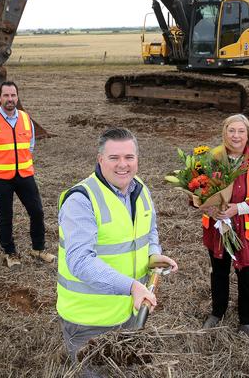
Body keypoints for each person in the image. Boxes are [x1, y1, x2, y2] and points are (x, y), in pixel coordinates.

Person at [56, 127, 178, 367]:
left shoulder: (139, 189)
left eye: (129, 157)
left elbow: (149, 229)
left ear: (137, 160)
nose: (123, 165)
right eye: (114, 158)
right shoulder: (82, 200)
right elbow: (80, 261)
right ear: (100, 160)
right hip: (89, 320)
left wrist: (153, 253)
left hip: (129, 312)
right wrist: (132, 286)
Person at [201, 114, 249, 333]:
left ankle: (246, 321)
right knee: (219, 272)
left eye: (241, 131)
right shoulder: (212, 157)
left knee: (247, 277)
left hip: (247, 233)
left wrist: (238, 209)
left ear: (248, 134)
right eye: (231, 131)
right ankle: (217, 312)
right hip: (218, 230)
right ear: (225, 133)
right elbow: (197, 190)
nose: (236, 136)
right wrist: (209, 207)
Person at [0, 81, 55, 268]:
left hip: (25, 175)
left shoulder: (26, 119)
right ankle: (10, 253)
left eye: (13, 95)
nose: (10, 99)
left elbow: (31, 145)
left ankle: (38, 248)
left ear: (17, 97)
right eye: (6, 96)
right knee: (6, 215)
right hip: (0, 178)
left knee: (37, 211)